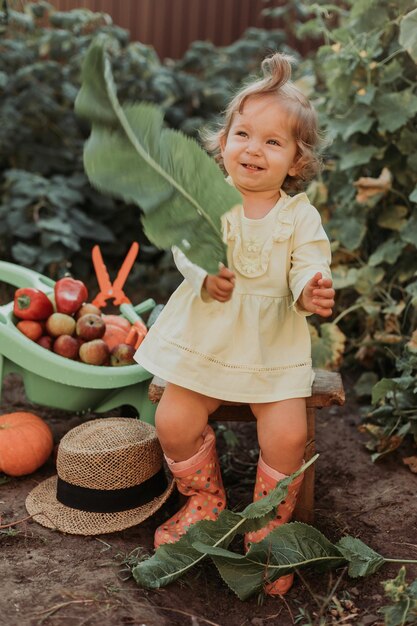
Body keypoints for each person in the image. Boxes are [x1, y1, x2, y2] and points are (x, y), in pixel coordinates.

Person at [134, 52, 335, 595]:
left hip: (271, 346)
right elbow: (185, 245)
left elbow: (308, 260)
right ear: (222, 144)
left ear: (296, 161)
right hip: (206, 337)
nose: (253, 149)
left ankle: (268, 526)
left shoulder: (299, 215)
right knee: (174, 416)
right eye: (243, 134)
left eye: (273, 142)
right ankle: (204, 502)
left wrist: (310, 287)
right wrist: (203, 274)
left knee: (288, 432)